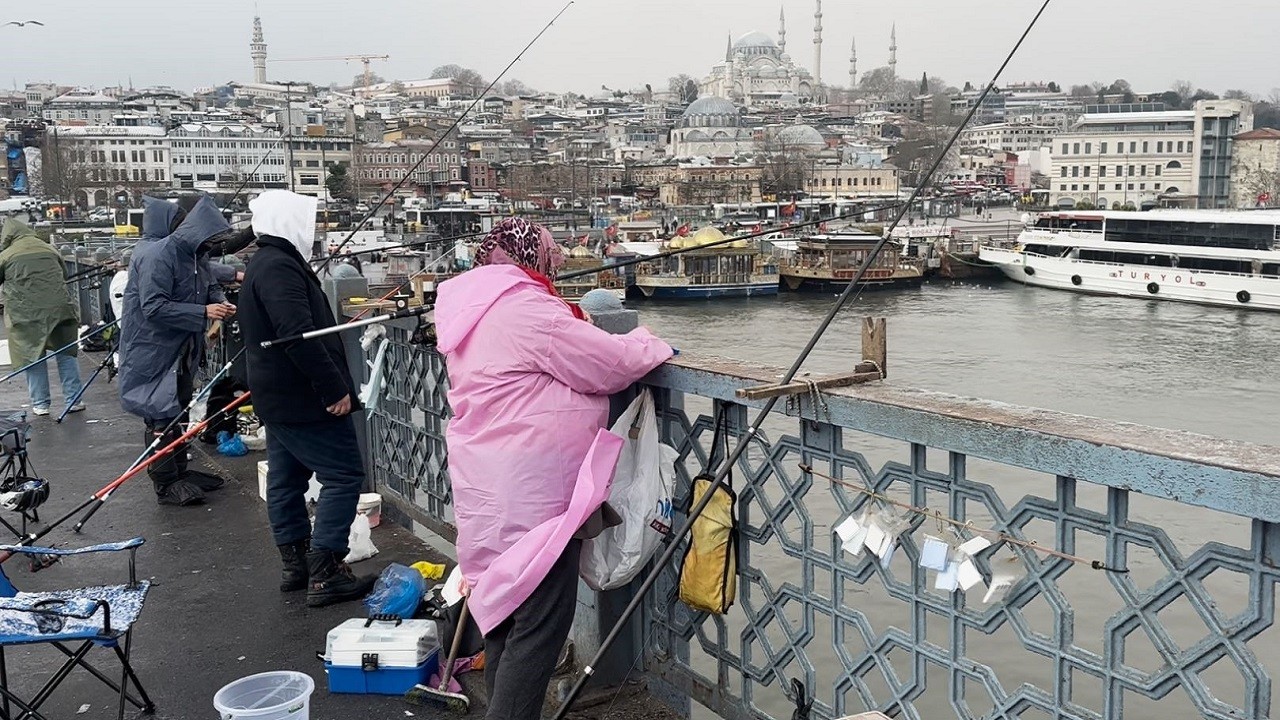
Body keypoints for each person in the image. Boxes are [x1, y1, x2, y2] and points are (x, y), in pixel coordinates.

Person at [434, 217, 673, 719]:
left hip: (488, 483)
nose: (556, 261)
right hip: (532, 494)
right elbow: (605, 362)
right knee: (539, 622)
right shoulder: (525, 308)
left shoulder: (474, 308)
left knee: (506, 615)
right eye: (549, 253)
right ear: (531, 256)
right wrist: (648, 342)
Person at [238, 189, 375, 607]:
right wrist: (332, 388)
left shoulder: (264, 261)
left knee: (286, 480)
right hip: (303, 397)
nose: (310, 229)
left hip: (277, 397)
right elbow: (296, 335)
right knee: (344, 474)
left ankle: (296, 565)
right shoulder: (279, 266)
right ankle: (325, 571)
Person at [118, 195, 235, 507]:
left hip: (183, 346)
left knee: (179, 409)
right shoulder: (157, 255)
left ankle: (180, 471)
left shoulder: (194, 254)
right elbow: (154, 307)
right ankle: (165, 482)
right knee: (159, 412)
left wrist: (220, 301)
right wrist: (204, 312)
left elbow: (209, 284)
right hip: (153, 347)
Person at [0, 217, 84, 417]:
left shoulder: (6, 255)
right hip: (60, 310)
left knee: (32, 356)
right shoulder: (50, 249)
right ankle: (74, 400)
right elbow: (63, 275)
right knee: (66, 353)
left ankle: (41, 404)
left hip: (26, 314)